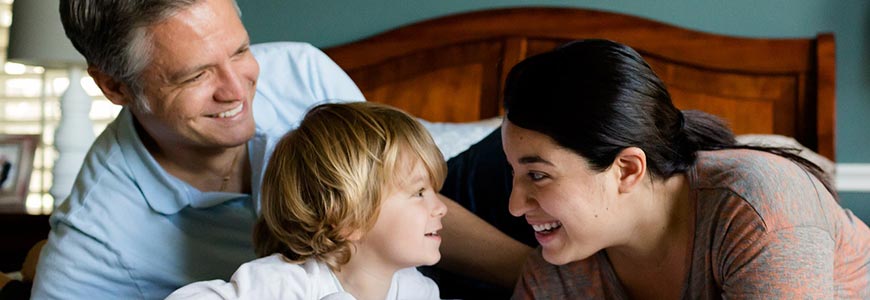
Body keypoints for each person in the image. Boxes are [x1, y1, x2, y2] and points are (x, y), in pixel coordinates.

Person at [31, 0, 530, 298]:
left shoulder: (299, 70)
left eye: (240, 50)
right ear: (116, 87)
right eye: (197, 74)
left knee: (543, 122)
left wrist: (541, 278)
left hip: (402, 250)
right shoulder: (94, 238)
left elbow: (395, 196)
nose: (238, 89)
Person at [501, 39, 870, 299]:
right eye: (514, 174)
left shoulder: (759, 211)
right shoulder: (559, 270)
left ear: (627, 169)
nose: (514, 206)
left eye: (537, 175)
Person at [167, 102, 447, 299]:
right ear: (348, 217)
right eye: (419, 192)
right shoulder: (285, 283)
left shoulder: (418, 290)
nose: (441, 207)